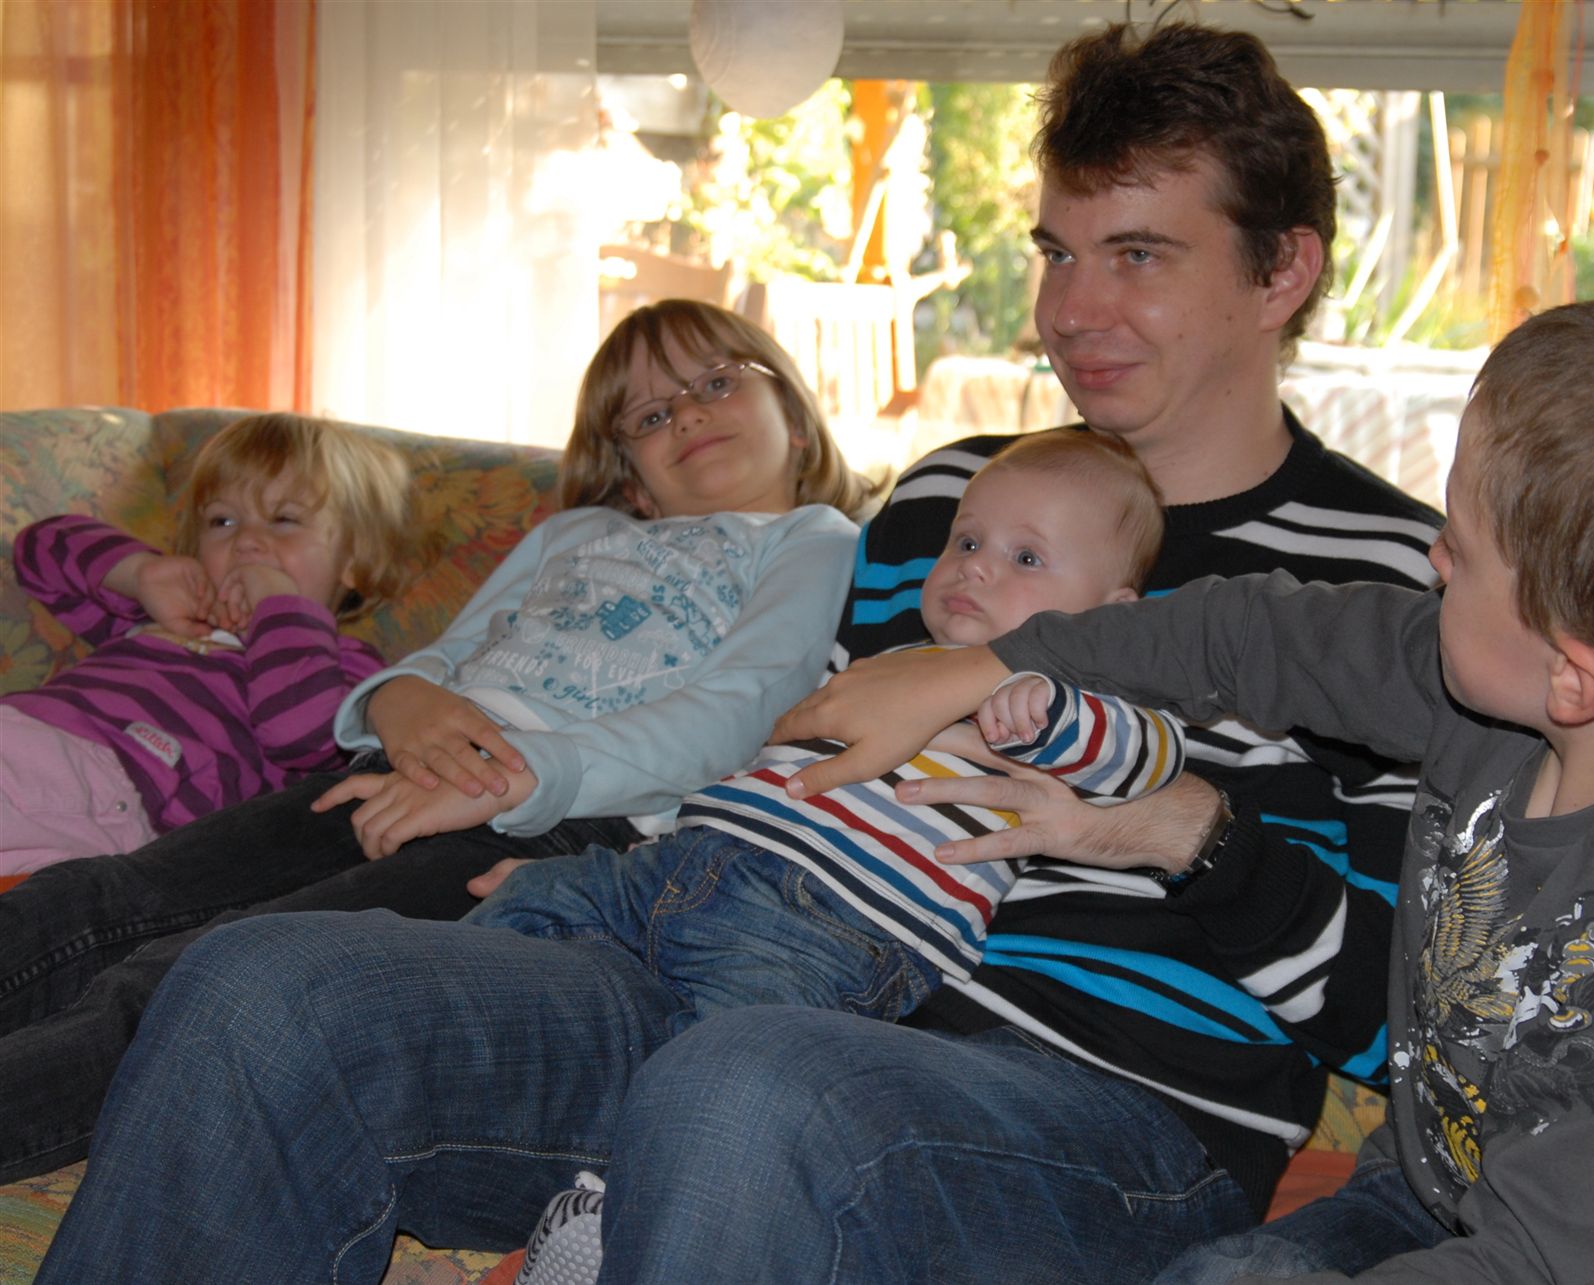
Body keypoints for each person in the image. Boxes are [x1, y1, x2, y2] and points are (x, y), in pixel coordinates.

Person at [33, 22, 1442, 1282]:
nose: (1072, 310)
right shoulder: (948, 498)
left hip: (1098, 1104)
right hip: (728, 978)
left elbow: (1402, 1016)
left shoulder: (1391, 579)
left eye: (1138, 255)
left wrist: (1190, 832)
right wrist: (617, 862)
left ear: (1282, 269)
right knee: (266, 986)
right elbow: (781, 747)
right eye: (1057, 253)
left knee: (751, 1087)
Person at [773, 300, 1594, 1283]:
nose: (1431, 561)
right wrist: (986, 666)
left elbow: (1552, 1253)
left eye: (1461, 550)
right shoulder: (1517, 688)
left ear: (1574, 674)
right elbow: (1252, 634)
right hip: (1428, 1190)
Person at [0, 299, 873, 1184]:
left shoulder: (817, 539)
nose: (685, 413)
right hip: (397, 768)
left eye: (717, 383)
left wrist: (524, 775)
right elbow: (452, 653)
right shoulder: (577, 532)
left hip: (554, 817)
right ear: (635, 482)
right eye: (649, 415)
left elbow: (741, 709)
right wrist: (396, 697)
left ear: (797, 422)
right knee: (102, 893)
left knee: (192, 974)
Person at [467, 428, 1180, 1029]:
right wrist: (658, 849)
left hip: (828, 925)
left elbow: (1146, 760)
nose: (977, 570)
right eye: (966, 542)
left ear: (1113, 614)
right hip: (686, 864)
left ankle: (609, 1139)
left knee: (711, 1056)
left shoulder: (1079, 700)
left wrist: (1045, 696)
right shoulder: (893, 665)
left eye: (1026, 558)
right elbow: (774, 764)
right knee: (528, 900)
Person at [1, 413, 414, 873]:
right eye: (223, 520)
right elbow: (39, 548)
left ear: (354, 560)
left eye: (284, 520)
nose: (247, 541)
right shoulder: (168, 613)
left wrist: (280, 606)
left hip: (122, 787)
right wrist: (139, 573)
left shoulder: (348, 668)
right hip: (34, 741)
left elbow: (299, 736)